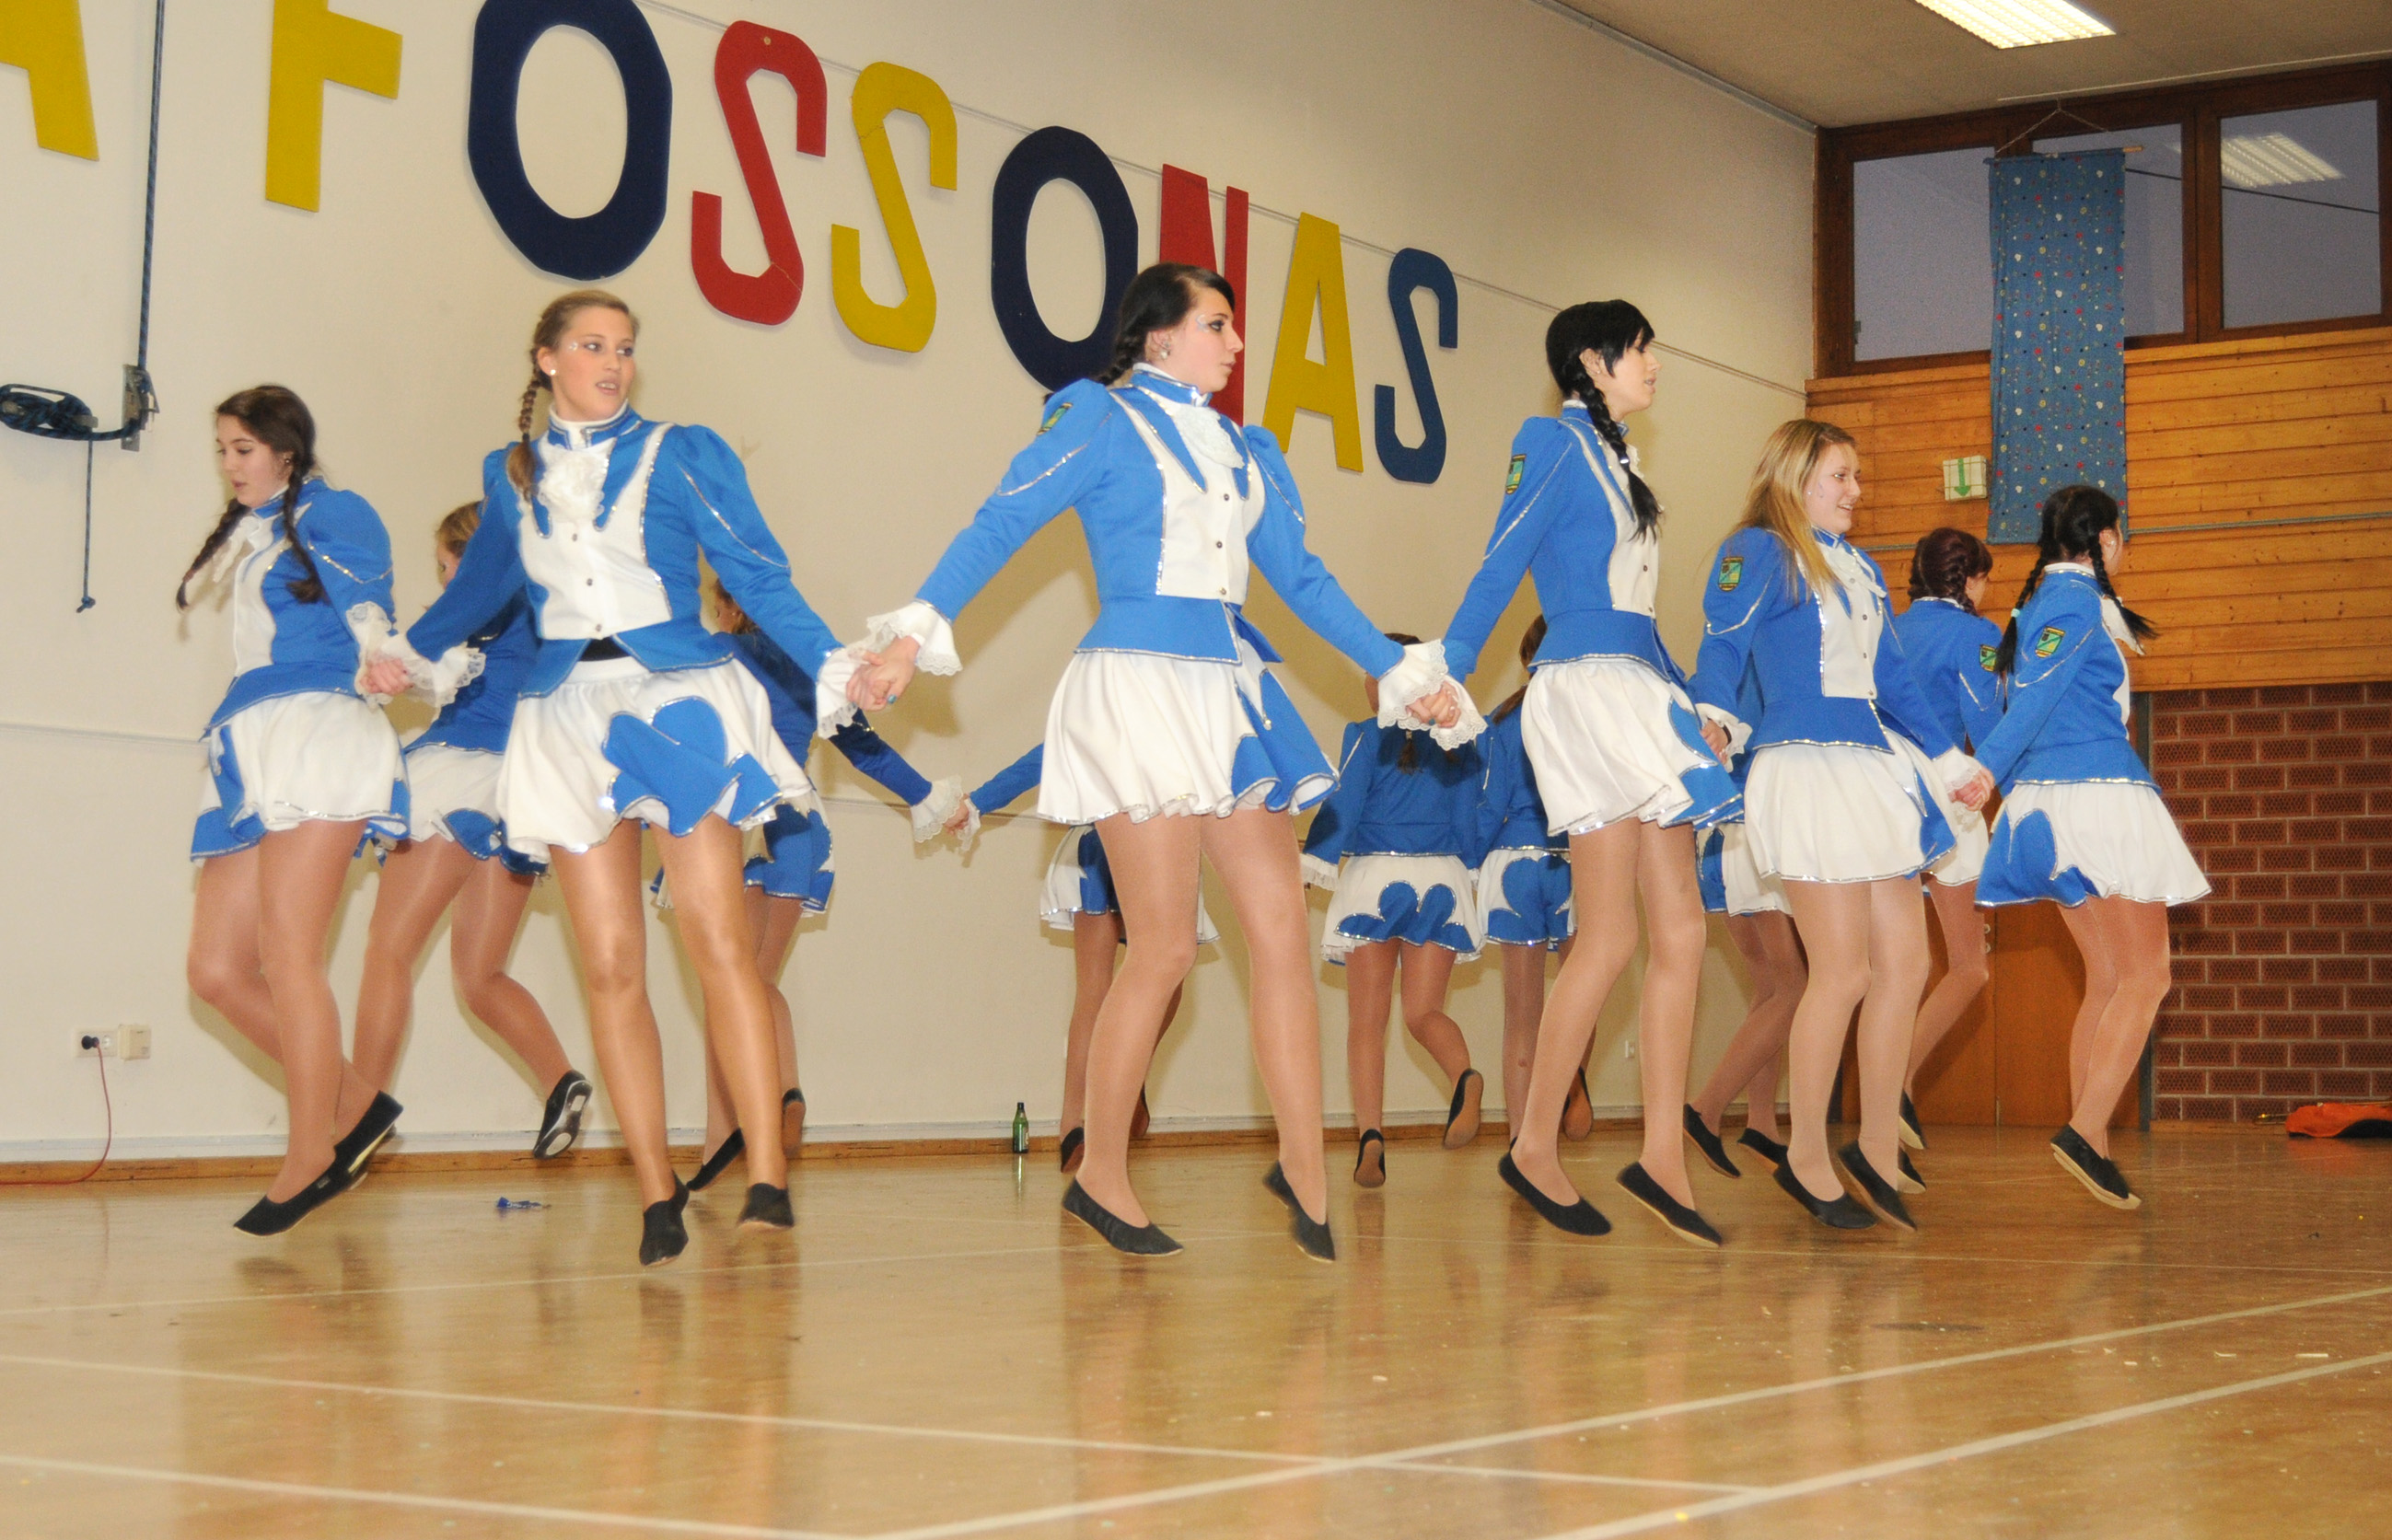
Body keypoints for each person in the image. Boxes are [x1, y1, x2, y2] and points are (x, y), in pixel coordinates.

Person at [846, 261, 1472, 1261]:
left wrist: (1400, 672)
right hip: (1137, 686)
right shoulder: (1100, 417)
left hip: (1227, 691)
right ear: (1159, 335)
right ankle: (1100, 1170)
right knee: (1166, 947)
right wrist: (911, 638)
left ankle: (1308, 1175)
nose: (1235, 342)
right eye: (1217, 323)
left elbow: (1304, 581)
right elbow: (1003, 518)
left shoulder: (1244, 449)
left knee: (1281, 930)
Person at [366, 289, 854, 1266]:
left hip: (677, 698)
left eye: (624, 347)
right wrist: (404, 655)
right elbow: (479, 590)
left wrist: (835, 661)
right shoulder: (511, 475)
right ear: (547, 359)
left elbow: (757, 573)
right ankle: (655, 1189)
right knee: (610, 965)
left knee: (718, 941)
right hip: (566, 713)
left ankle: (765, 1173)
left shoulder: (684, 451)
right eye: (592, 345)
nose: (613, 362)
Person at [1438, 301, 1741, 1247]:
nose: (1655, 362)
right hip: (1585, 691)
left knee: (1680, 929)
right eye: (1641, 348)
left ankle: (1661, 1154)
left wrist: (1691, 702)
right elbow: (1502, 560)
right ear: (1593, 361)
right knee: (1608, 935)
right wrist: (1447, 670)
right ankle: (1534, 1143)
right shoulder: (1552, 442)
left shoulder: (1623, 461)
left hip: (1639, 689)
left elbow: (1638, 618)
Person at [1689, 420, 1993, 1233]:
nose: (1856, 490)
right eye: (1841, 475)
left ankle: (1879, 1149)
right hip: (1804, 766)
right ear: (1797, 477)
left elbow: (1893, 678)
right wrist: (1711, 714)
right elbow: (1722, 645)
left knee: (1908, 962)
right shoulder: (1759, 550)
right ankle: (1805, 1153)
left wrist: (1947, 759)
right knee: (1841, 972)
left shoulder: (1859, 566)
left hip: (1871, 769)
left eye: (1857, 476)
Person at [180, 385, 408, 1233]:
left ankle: (313, 1149)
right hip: (252, 741)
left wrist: (383, 652)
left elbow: (368, 603)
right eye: (222, 450)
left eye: (242, 448)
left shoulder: (334, 510)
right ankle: (356, 1104)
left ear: (286, 450)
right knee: (215, 970)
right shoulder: (255, 533)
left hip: (319, 735)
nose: (229, 464)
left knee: (288, 955)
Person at [1976, 484, 2208, 1210]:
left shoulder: (2038, 604)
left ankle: (2094, 1144)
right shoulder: (2074, 603)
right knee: (2148, 976)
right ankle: (2083, 1130)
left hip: (2051, 803)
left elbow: (2019, 694)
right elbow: (2034, 699)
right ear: (2104, 541)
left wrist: (1998, 775)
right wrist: (1985, 770)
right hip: (2097, 795)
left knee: (2107, 978)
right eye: (2121, 537)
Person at [683, 580, 957, 1193]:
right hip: (800, 825)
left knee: (730, 987)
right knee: (757, 980)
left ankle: (723, 1136)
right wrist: (931, 798)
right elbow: (865, 750)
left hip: (742, 817)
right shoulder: (811, 666)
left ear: (731, 607)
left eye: (717, 607)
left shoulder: (718, 654)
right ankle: (787, 1089)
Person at [352, 504, 590, 1159]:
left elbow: (433, 672)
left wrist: (381, 665)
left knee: (388, 951)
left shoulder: (481, 608)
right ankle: (560, 1079)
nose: (445, 578)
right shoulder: (545, 607)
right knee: (481, 975)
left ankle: (357, 1114)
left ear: (474, 555)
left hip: (460, 775)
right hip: (519, 791)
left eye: (446, 563)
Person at [952, 746, 1206, 1173]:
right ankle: (1127, 1072)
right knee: (1165, 975)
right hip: (1157, 848)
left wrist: (977, 802)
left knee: (1094, 991)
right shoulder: (1182, 715)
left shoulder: (1095, 708)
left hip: (1095, 844)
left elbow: (1046, 754)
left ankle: (1074, 1123)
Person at [1302, 635, 1492, 1187]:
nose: (1367, 681)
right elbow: (1469, 816)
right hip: (1441, 879)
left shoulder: (1365, 735)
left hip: (1375, 880)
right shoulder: (1456, 738)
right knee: (1423, 1012)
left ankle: (1371, 1138)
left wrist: (1314, 864)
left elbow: (1343, 806)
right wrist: (1471, 872)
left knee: (1368, 1022)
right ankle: (1464, 1074)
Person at [1889, 527, 2003, 1154]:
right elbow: (1989, 729)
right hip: (1947, 803)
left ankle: (1888, 1088)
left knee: (1893, 968)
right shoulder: (1977, 636)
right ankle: (1896, 1079)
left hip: (1879, 803)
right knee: (1968, 966)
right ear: (1971, 579)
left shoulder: (1886, 627)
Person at [1471, 619, 1595, 1146]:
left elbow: (1487, 804)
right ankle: (1572, 1081)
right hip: (1579, 862)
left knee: (1521, 1015)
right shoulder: (1593, 716)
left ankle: (1522, 1138)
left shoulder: (1501, 720)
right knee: (1582, 994)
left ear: (1526, 661)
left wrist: (1469, 864)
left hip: (1514, 864)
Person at [1685, 660, 1801, 1176]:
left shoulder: (1714, 674)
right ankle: (1706, 1109)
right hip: (1752, 831)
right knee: (1795, 989)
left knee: (1771, 985)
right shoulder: (1768, 669)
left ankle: (1761, 1122)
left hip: (1717, 837)